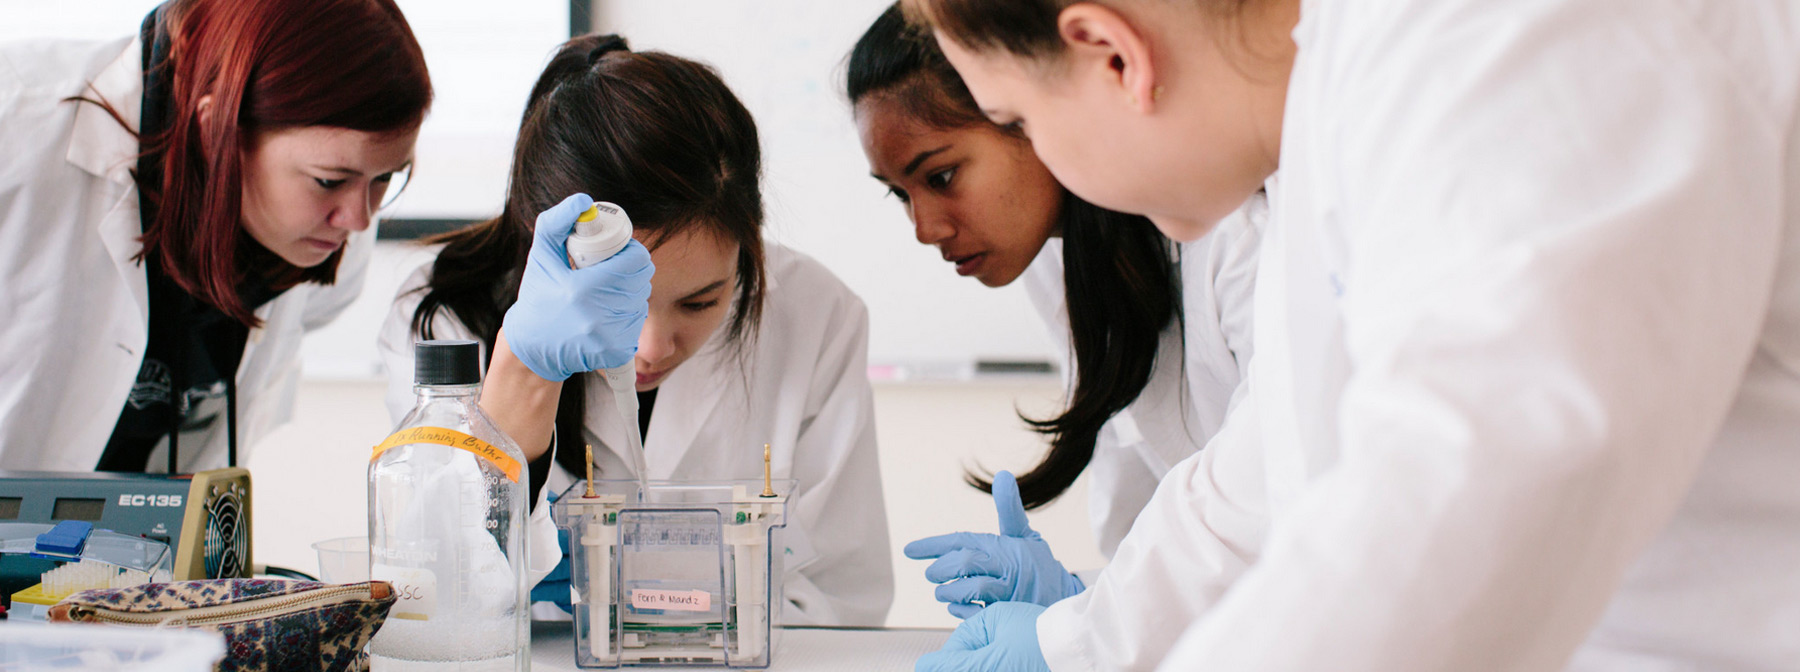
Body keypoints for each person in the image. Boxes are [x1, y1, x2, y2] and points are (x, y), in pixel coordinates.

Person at [905, 0, 1800, 670]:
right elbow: (1254, 487)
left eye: (1019, 120)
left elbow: (1465, 495)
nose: (1041, 156)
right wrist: (1073, 646)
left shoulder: (1500, 39)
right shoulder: (1323, 115)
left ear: (1112, 53)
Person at [378, 34, 893, 627]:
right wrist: (521, 375)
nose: (649, 348)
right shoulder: (444, 317)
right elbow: (430, 598)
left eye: (701, 302)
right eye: (616, 305)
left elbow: (840, 602)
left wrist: (661, 597)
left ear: (748, 245)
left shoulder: (816, 315)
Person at [844, 2, 1260, 619]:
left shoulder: (1236, 226)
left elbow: (1269, 497)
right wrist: (1082, 604)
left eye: (943, 175)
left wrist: (1085, 626)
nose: (924, 229)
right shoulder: (1053, 257)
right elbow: (1143, 523)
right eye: (899, 194)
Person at [0, 0, 429, 473]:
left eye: (387, 177)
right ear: (214, 128)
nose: (359, 220)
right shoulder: (17, 126)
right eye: (329, 180)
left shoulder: (329, 229)